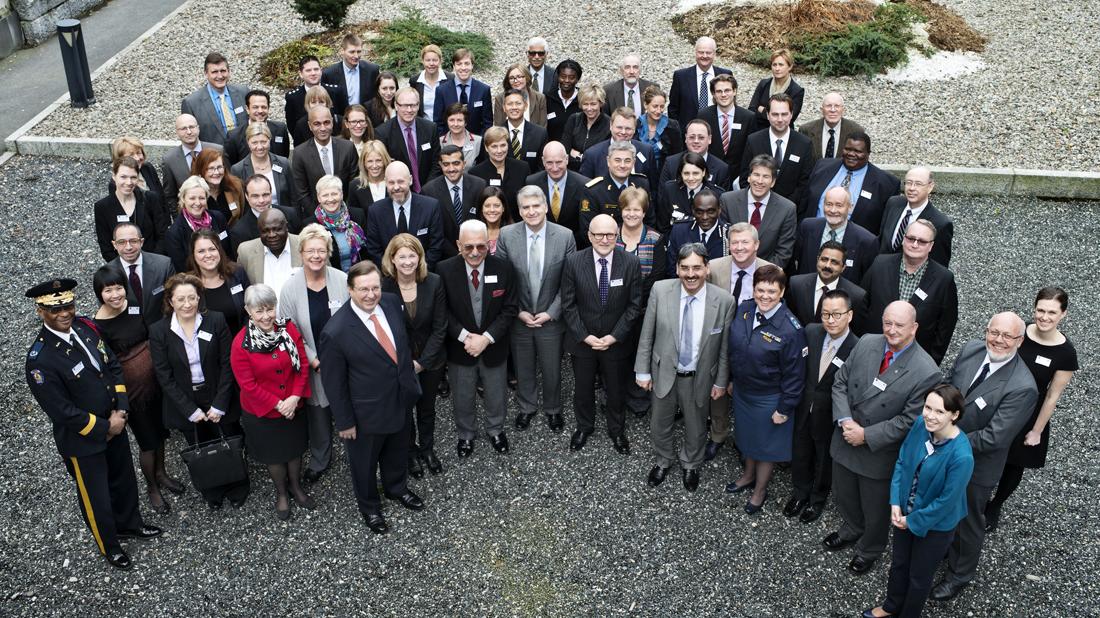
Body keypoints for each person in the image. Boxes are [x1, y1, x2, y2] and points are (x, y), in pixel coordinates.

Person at [25, 277, 162, 570]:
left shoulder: (85, 328)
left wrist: (121, 410)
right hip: (84, 440)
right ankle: (109, 545)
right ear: (40, 312)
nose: (64, 313)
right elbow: (61, 411)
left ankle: (131, 523)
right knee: (97, 496)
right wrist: (105, 427)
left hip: (116, 422)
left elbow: (111, 365)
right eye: (55, 309)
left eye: (68, 305)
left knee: (124, 480)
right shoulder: (40, 360)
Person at [824, 301, 941, 575]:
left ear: (914, 328)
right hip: (846, 436)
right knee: (844, 494)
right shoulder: (867, 342)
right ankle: (852, 527)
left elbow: (910, 420)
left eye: (899, 325)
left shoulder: (927, 371)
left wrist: (865, 435)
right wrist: (845, 420)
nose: (892, 330)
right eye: (888, 323)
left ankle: (870, 548)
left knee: (875, 508)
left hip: (878, 452)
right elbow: (840, 382)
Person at [931, 313, 1039, 602]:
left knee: (967, 521)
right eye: (994, 332)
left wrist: (944, 439)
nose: (998, 340)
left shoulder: (1023, 386)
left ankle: (959, 575)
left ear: (1020, 341)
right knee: (942, 504)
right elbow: (947, 386)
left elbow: (994, 437)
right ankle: (942, 546)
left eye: (1008, 336)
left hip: (976, 466)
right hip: (942, 447)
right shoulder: (971, 349)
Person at [320, 249, 424, 536]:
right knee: (364, 465)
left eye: (375, 287)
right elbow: (334, 383)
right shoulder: (335, 331)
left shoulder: (390, 302)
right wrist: (345, 422)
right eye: (363, 289)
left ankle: (396, 488)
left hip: (400, 399)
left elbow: (401, 344)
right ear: (350, 290)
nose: (371, 295)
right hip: (365, 413)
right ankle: (370, 507)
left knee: (397, 450)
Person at [863, 384, 974, 618]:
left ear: (954, 415)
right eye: (927, 408)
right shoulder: (919, 425)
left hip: (936, 525)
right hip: (905, 511)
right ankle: (891, 605)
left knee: (919, 576)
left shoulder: (962, 455)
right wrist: (895, 502)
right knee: (899, 564)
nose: (930, 416)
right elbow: (902, 460)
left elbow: (946, 502)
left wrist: (911, 521)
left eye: (940, 411)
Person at [635, 243, 735, 492]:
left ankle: (691, 463)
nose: (691, 274)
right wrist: (642, 371)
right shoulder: (660, 290)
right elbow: (647, 334)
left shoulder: (724, 301)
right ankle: (663, 460)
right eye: (685, 268)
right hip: (664, 373)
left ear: (707, 269)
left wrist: (721, 381)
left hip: (699, 377)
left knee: (696, 426)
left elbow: (724, 348)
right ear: (677, 269)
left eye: (696, 268)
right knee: (660, 423)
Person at [149, 273, 250, 510]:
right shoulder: (159, 331)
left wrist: (220, 403)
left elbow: (227, 363)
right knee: (200, 446)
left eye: (192, 298)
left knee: (229, 439)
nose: (187, 304)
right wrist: (189, 410)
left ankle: (238, 486)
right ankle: (212, 490)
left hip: (217, 392)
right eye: (180, 299)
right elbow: (164, 375)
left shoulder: (215, 320)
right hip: (185, 399)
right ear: (170, 301)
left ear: (199, 298)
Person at [986, 287, 1077, 531]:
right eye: (1040, 310)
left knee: (1014, 463)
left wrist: (1037, 431)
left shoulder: (1066, 353)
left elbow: (1052, 396)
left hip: (1028, 413)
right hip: (999, 401)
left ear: (1063, 314)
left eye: (1052, 312)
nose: (1044, 317)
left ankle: (995, 505)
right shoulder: (1019, 332)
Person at [92, 266, 181, 516]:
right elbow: (106, 366)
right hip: (134, 393)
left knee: (161, 434)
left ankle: (162, 474)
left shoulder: (132, 306)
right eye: (108, 291)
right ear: (99, 294)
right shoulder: (98, 326)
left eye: (118, 288)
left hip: (156, 384)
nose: (115, 295)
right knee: (147, 442)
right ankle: (152, 487)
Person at [726, 264, 807, 514]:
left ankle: (760, 490)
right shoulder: (745, 309)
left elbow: (796, 375)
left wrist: (784, 408)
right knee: (748, 438)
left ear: (782, 292)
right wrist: (732, 379)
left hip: (769, 398)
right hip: (743, 392)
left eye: (772, 291)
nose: (765, 296)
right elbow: (736, 349)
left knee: (766, 448)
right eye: (760, 290)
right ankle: (748, 476)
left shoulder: (791, 330)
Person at [496, 186, 576, 432]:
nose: (531, 211)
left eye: (536, 206)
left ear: (545, 207)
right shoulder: (506, 235)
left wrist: (552, 312)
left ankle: (553, 409)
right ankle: (527, 407)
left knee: (552, 369)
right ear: (519, 211)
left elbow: (569, 282)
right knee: (523, 367)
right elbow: (502, 279)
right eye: (525, 207)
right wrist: (517, 310)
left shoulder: (565, 236)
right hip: (519, 316)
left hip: (551, 317)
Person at [230, 284, 313, 520]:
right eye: (259, 311)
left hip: (294, 405)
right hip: (264, 412)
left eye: (270, 309)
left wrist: (295, 397)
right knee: (274, 455)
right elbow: (248, 385)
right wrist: (279, 405)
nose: (266, 316)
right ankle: (281, 493)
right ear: (248, 311)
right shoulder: (241, 343)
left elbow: (302, 364)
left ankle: (295, 486)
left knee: (295, 450)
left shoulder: (288, 328)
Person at [437, 220, 519, 457]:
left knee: (496, 393)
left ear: (488, 245)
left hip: (494, 346)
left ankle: (496, 430)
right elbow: (443, 311)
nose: (475, 252)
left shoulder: (504, 268)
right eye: (468, 246)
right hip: (460, 347)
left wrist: (486, 338)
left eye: (481, 246)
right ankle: (465, 434)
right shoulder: (443, 270)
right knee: (462, 394)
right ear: (458, 245)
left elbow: (510, 309)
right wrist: (466, 337)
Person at [561, 214, 642, 452]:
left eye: (610, 235)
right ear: (589, 236)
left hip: (615, 342)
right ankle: (584, 427)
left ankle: (617, 430)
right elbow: (568, 305)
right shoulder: (573, 262)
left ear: (617, 236)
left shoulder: (631, 263)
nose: (604, 240)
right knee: (583, 388)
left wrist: (614, 336)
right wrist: (584, 336)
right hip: (583, 342)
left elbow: (634, 305)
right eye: (599, 234)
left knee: (616, 390)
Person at [277, 224, 350, 485]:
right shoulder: (290, 288)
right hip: (312, 363)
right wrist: (315, 360)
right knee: (318, 415)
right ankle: (321, 459)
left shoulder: (342, 280)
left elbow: (353, 322)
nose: (316, 256)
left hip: (344, 361)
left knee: (348, 408)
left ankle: (356, 454)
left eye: (321, 250)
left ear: (329, 252)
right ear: (301, 253)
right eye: (310, 251)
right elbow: (289, 331)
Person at [784, 289, 858, 523]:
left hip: (830, 415)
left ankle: (817, 499)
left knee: (824, 459)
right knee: (800, 452)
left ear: (850, 315)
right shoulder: (811, 332)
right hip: (804, 406)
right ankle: (800, 493)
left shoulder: (857, 347)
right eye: (826, 314)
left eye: (837, 314)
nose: (830, 320)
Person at [380, 234, 448, 478]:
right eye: (402, 256)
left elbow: (440, 327)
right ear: (392, 259)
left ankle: (427, 449)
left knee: (427, 408)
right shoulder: (384, 288)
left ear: (420, 258)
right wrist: (405, 363)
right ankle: (409, 452)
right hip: (400, 363)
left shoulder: (434, 282)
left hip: (431, 361)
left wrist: (422, 363)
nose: (408, 261)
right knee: (405, 410)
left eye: (412, 255)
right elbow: (384, 331)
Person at [861, 219, 958, 365]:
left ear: (931, 246)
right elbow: (862, 305)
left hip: (913, 362)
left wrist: (930, 362)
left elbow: (945, 327)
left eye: (922, 241)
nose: (915, 244)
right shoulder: (880, 264)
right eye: (911, 238)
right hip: (871, 352)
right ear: (903, 239)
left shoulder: (943, 279)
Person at [616, 188, 666, 418]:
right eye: (627, 209)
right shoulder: (611, 235)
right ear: (621, 210)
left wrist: (634, 305)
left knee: (640, 353)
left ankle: (638, 399)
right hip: (614, 310)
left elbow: (656, 277)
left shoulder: (655, 239)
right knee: (616, 356)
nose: (632, 214)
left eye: (637, 210)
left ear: (644, 212)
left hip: (643, 311)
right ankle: (615, 396)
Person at [802, 132, 900, 231]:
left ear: (868, 153)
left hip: (855, 239)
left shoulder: (886, 184)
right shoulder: (822, 167)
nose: (851, 154)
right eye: (848, 149)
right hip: (814, 234)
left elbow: (886, 225)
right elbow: (804, 202)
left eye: (858, 151)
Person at [720, 154, 797, 266]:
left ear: (773, 182)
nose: (760, 181)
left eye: (765, 176)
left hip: (767, 272)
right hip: (732, 268)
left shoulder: (787, 209)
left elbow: (783, 253)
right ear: (749, 177)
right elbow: (722, 243)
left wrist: (761, 274)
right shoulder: (728, 201)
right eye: (756, 175)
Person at [365, 161, 444, 268]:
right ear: (385, 182)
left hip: (424, 272)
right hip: (389, 274)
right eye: (391, 183)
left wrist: (417, 271)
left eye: (400, 181)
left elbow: (436, 247)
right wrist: (394, 272)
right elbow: (374, 249)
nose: (396, 187)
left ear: (410, 180)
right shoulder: (375, 211)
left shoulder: (431, 207)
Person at [739, 94, 813, 207]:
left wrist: (785, 208)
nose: (780, 119)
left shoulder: (804, 144)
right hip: (757, 207)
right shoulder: (754, 141)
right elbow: (745, 178)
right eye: (775, 114)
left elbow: (804, 183)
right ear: (767, 115)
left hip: (790, 209)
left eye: (784, 114)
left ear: (791, 115)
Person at [793, 186, 879, 282]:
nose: (833, 210)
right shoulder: (807, 227)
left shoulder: (866, 241)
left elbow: (868, 280)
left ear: (850, 207)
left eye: (839, 205)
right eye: (829, 204)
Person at [784, 240, 868, 334]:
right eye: (824, 259)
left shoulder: (857, 296)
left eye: (834, 262)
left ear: (843, 267)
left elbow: (857, 333)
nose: (827, 266)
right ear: (817, 259)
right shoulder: (796, 284)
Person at [878, 166, 953, 267]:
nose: (912, 188)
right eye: (908, 183)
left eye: (918, 184)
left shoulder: (940, 223)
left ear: (930, 187)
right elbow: (881, 239)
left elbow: (939, 265)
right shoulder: (893, 203)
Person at [95, 156, 168, 261]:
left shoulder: (150, 199)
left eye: (133, 177)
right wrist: (126, 266)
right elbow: (106, 247)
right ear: (114, 176)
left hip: (153, 262)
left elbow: (162, 235)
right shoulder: (102, 207)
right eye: (123, 177)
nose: (129, 182)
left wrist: (152, 262)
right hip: (122, 267)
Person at [422, 144, 488, 259]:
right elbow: (433, 230)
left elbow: (484, 220)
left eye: (456, 163)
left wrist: (468, 250)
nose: (451, 169)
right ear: (440, 165)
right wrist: (456, 254)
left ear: (464, 164)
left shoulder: (479, 185)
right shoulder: (429, 191)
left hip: (476, 252)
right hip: (444, 257)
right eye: (446, 164)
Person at [290, 106, 358, 216]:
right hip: (316, 216)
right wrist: (320, 216)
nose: (323, 128)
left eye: (326, 122)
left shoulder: (347, 148)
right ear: (310, 126)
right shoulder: (300, 153)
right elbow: (302, 192)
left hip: (346, 214)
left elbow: (354, 183)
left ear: (332, 122)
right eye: (317, 124)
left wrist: (344, 211)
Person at [107, 222, 176, 326]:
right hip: (127, 332)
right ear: (114, 245)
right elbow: (107, 312)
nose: (128, 247)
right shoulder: (106, 273)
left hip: (163, 328)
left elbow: (175, 300)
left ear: (142, 242)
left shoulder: (164, 265)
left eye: (133, 241)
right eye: (121, 242)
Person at [525, 141, 592, 247]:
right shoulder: (532, 182)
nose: (555, 168)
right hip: (541, 245)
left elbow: (585, 224)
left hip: (575, 246)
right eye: (549, 163)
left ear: (567, 159)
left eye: (559, 162)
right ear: (543, 161)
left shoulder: (584, 185)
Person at [377, 87, 441, 194]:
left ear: (418, 105)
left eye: (413, 105)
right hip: (399, 192)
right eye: (405, 105)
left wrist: (427, 189)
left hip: (429, 190)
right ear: (396, 105)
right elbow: (384, 168)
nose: (409, 110)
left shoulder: (430, 129)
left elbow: (436, 163)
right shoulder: (383, 133)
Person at [186, 229, 250, 336]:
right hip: (208, 345)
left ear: (219, 251)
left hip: (242, 340)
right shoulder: (188, 284)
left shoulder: (237, 274)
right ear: (193, 255)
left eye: (212, 249)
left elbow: (251, 307)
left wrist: (243, 339)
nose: (208, 255)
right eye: (201, 251)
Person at [163, 175, 232, 272]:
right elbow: (182, 269)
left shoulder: (218, 218)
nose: (198, 203)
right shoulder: (174, 233)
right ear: (183, 199)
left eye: (202, 198)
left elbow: (229, 252)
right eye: (192, 198)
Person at [579, 140, 651, 232]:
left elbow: (649, 220)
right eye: (617, 160)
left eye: (627, 161)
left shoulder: (642, 183)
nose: (622, 165)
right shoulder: (593, 190)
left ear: (634, 162)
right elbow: (588, 229)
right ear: (608, 161)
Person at [180, 52, 249, 145]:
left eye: (223, 71)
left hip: (244, 151)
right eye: (214, 72)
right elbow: (189, 136)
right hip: (212, 153)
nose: (220, 76)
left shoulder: (243, 93)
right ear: (206, 74)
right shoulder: (191, 103)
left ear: (229, 71)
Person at [161, 113, 223, 215]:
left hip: (219, 211)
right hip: (189, 216)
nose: (189, 132)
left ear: (198, 128)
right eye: (183, 129)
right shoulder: (169, 160)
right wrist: (179, 216)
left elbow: (227, 181)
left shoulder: (217, 150)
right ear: (177, 132)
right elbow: (170, 195)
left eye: (192, 127)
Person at [236, 209, 301, 303]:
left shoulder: (305, 245)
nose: (272, 235)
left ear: (286, 227)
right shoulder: (246, 251)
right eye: (265, 231)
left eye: (277, 229)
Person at [667, 37, 732, 130]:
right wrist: (679, 132)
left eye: (708, 53)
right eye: (701, 52)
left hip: (717, 130)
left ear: (714, 54)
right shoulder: (681, 76)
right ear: (695, 53)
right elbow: (673, 108)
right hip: (688, 133)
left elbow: (731, 104)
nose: (704, 56)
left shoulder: (725, 74)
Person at [579, 107, 657, 183]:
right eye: (619, 127)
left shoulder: (646, 151)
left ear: (634, 129)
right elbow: (585, 188)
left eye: (628, 128)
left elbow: (653, 186)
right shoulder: (592, 155)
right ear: (611, 126)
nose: (623, 132)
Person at [229, 124, 296, 210]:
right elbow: (239, 202)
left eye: (263, 142)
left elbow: (294, 196)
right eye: (254, 143)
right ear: (248, 142)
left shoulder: (283, 163)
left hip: (282, 215)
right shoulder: (238, 169)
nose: (260, 147)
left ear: (269, 140)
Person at [228, 174, 302, 252]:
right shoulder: (239, 231)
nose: (261, 200)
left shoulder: (290, 214)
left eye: (265, 195)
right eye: (255, 196)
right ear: (247, 197)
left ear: (271, 193)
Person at [469, 126, 530, 220]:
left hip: (518, 222)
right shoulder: (475, 173)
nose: (499, 150)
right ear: (486, 148)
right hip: (488, 224)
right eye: (494, 146)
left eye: (503, 145)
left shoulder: (522, 168)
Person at [663, 190, 730, 274]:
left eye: (710, 212)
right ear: (693, 211)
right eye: (699, 212)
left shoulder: (728, 234)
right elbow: (671, 268)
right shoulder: (679, 231)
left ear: (719, 210)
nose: (705, 217)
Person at [311, 175, 368, 272]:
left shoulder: (358, 215)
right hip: (330, 277)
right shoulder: (312, 225)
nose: (330, 199)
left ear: (341, 194)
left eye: (334, 194)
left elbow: (367, 250)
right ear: (319, 198)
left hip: (359, 274)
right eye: (325, 195)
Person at [699, 74, 754, 175]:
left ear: (734, 91)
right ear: (713, 94)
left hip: (738, 175)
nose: (723, 95)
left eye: (727, 90)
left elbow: (751, 150)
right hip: (710, 174)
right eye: (719, 91)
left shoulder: (748, 117)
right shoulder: (703, 116)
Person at [432, 48, 493, 135]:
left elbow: (487, 123)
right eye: (459, 64)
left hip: (476, 141)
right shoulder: (441, 91)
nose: (463, 68)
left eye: (467, 63)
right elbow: (438, 123)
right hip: (449, 141)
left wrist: (480, 141)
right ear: (454, 66)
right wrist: (445, 141)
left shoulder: (483, 90)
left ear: (472, 65)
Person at [656, 151, 721, 232]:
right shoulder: (670, 190)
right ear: (681, 173)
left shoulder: (716, 194)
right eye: (686, 173)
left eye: (695, 173)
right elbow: (663, 226)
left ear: (703, 172)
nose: (691, 178)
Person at [285, 55, 345, 143]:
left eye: (316, 69)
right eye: (308, 70)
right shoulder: (293, 97)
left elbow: (343, 118)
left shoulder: (335, 92)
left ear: (321, 70)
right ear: (301, 74)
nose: (313, 73)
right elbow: (292, 127)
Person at [658, 119, 732, 190]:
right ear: (686, 138)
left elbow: (723, 197)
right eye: (692, 137)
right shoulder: (671, 163)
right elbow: (663, 195)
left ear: (709, 139)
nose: (696, 141)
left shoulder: (722, 169)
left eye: (701, 137)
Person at [223, 89, 290, 165]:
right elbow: (231, 165)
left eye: (263, 107)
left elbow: (285, 156)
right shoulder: (234, 136)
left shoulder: (280, 129)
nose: (260, 111)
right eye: (255, 107)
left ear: (268, 108)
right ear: (247, 109)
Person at [747, 49, 805, 131]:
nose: (777, 68)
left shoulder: (797, 91)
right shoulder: (764, 84)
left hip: (782, 133)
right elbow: (751, 111)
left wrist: (763, 110)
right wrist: (775, 115)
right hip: (759, 131)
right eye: (774, 65)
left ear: (790, 67)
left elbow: (790, 118)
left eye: (781, 65)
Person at [798, 92, 866, 162]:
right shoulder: (806, 130)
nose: (833, 110)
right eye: (828, 106)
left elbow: (860, 160)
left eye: (837, 106)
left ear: (843, 110)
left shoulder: (856, 130)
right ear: (822, 110)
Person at [108, 137, 165, 219]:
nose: (137, 158)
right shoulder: (115, 184)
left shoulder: (147, 168)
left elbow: (162, 197)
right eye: (131, 155)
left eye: (138, 153)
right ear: (120, 159)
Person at [322, 33, 381, 111]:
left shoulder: (372, 70)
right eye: (352, 52)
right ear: (342, 51)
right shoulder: (329, 74)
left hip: (367, 116)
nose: (356, 56)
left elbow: (377, 97)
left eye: (359, 51)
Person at [497, 87, 550, 173]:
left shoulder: (540, 134)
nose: (514, 107)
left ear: (525, 106)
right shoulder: (496, 134)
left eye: (518, 103)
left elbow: (542, 166)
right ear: (504, 107)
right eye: (510, 104)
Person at [561, 84, 611, 170]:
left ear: (601, 103)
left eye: (593, 104)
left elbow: (603, 156)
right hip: (572, 171)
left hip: (596, 172)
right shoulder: (574, 119)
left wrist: (578, 156)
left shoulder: (609, 124)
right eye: (585, 104)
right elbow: (564, 149)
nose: (589, 108)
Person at [635, 86, 682, 176]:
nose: (659, 110)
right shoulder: (636, 125)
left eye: (662, 107)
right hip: (640, 173)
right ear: (645, 105)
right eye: (655, 106)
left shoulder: (672, 126)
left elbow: (677, 155)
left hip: (664, 174)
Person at [191, 148, 244, 225]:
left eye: (219, 167)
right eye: (211, 168)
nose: (216, 172)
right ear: (201, 170)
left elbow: (242, 215)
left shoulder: (235, 186)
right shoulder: (193, 193)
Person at [603, 53, 658, 118]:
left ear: (640, 70)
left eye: (635, 67)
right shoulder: (609, 91)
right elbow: (606, 119)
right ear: (621, 71)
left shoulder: (652, 88)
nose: (631, 71)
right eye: (627, 67)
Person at [347, 139, 391, 211]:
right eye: (370, 161)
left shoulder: (393, 182)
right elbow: (355, 215)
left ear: (385, 160)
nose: (374, 166)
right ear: (364, 162)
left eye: (378, 160)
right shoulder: (355, 186)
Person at [409, 44, 451, 119]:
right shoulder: (415, 81)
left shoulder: (450, 79)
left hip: (445, 124)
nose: (431, 64)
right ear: (422, 61)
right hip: (423, 124)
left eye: (435, 60)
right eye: (428, 60)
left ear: (440, 61)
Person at [545, 59, 582, 143]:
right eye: (563, 76)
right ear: (558, 77)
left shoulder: (583, 99)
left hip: (575, 150)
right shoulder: (548, 98)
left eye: (571, 77)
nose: (566, 80)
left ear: (577, 79)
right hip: (552, 148)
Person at [439, 103, 483, 168]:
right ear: (447, 121)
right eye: (451, 120)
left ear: (465, 123)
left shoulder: (478, 141)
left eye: (459, 120)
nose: (455, 124)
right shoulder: (439, 142)